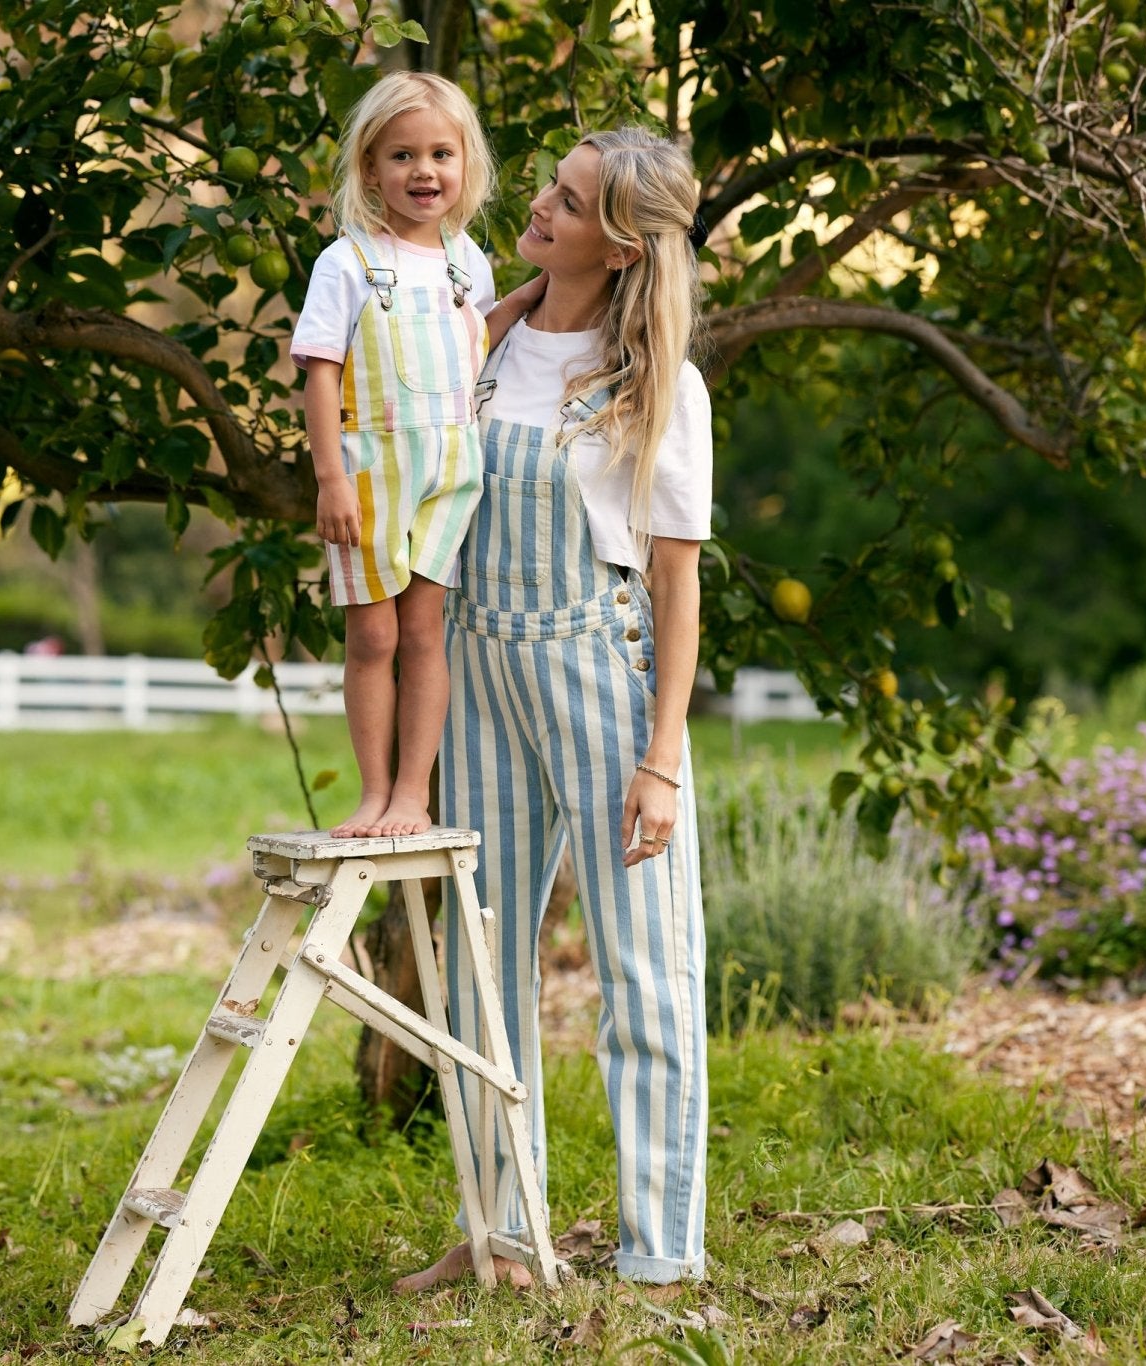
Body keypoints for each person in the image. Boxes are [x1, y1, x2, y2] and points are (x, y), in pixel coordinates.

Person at [397, 126, 714, 1293]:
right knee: (485, 965)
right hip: (476, 669)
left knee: (647, 970)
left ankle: (659, 1254)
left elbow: (674, 582)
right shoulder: (475, 336)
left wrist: (661, 758)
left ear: (620, 244)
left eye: (569, 203)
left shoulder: (658, 382)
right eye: (550, 185)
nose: (537, 205)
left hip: (601, 673)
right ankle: (505, 1237)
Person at [291, 71, 500, 839]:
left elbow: (486, 349)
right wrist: (330, 478)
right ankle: (374, 792)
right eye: (402, 155)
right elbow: (320, 372)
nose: (424, 171)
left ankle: (414, 794)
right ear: (369, 169)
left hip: (450, 473)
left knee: (425, 634)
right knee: (372, 637)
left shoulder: (466, 264)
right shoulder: (345, 264)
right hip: (371, 473)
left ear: (465, 164)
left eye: (441, 153)